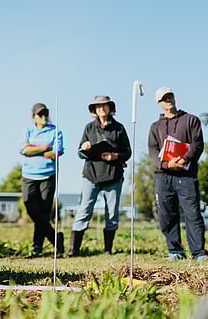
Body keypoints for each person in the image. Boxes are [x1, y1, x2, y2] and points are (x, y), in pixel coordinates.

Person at [148, 87, 208, 262]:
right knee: (166, 213)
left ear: (174, 97)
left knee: (193, 213)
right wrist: (166, 164)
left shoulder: (191, 120)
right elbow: (152, 150)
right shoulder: (155, 127)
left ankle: (198, 252)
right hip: (163, 175)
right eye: (164, 98)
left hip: (186, 175)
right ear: (159, 103)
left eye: (170, 96)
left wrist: (184, 159)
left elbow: (197, 144)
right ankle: (175, 250)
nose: (168, 100)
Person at [70, 96, 131, 256]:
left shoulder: (119, 128)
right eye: (98, 107)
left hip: (113, 176)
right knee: (84, 210)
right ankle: (73, 250)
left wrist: (115, 156)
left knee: (112, 213)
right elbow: (79, 152)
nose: (101, 109)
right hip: (91, 175)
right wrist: (85, 148)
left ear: (110, 108)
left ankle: (107, 249)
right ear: (94, 110)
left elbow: (127, 152)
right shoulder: (89, 128)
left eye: (104, 106)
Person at [20, 103, 64, 258]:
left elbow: (56, 153)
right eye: (40, 114)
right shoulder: (28, 131)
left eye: (46, 114)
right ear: (34, 117)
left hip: (48, 176)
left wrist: (34, 148)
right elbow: (24, 149)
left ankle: (37, 246)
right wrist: (45, 147)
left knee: (43, 213)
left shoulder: (56, 131)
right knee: (31, 208)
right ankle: (56, 239)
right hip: (29, 176)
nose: (44, 117)